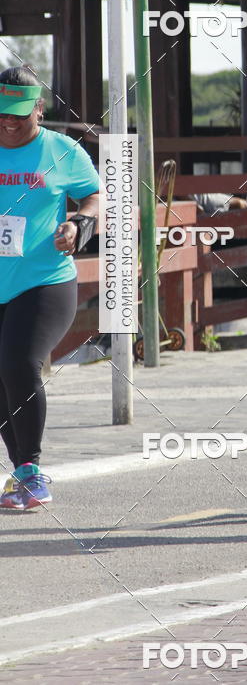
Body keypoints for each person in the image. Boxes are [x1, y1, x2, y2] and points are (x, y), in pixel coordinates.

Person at [0, 66, 100, 510]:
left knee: (21, 363)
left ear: (40, 108)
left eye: (20, 114)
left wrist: (79, 225)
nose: (8, 122)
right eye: (1, 113)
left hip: (44, 281)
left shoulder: (63, 151)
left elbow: (93, 197)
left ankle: (31, 471)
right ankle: (18, 470)